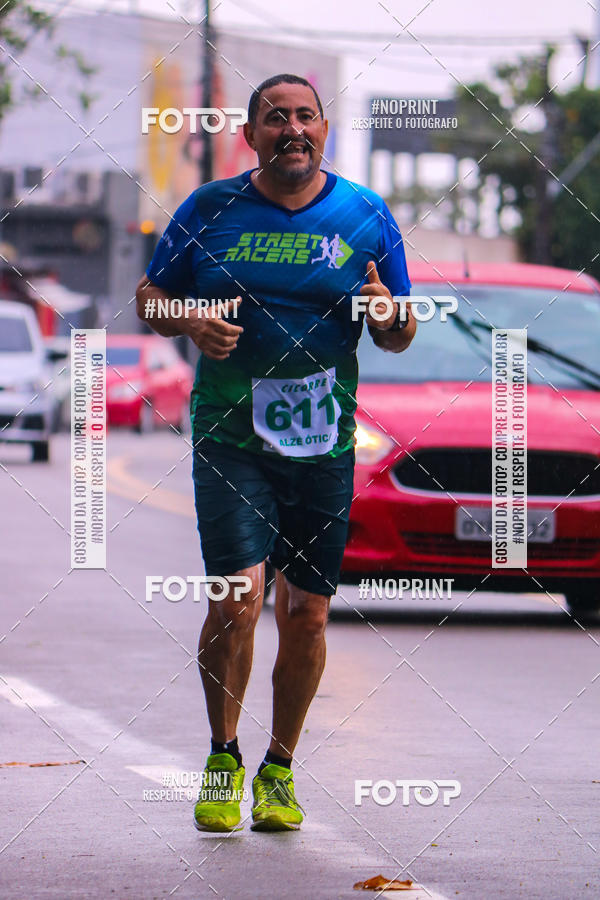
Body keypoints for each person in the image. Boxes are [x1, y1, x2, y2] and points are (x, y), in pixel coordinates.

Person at [135, 73, 416, 833]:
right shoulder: (210, 208)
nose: (292, 128)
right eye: (275, 118)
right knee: (237, 595)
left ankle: (279, 769)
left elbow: (398, 325)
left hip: (323, 441)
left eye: (305, 117)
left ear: (324, 129)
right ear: (252, 134)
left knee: (311, 613)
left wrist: (391, 316)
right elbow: (149, 299)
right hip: (231, 436)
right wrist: (192, 319)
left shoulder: (365, 214)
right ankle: (223, 757)